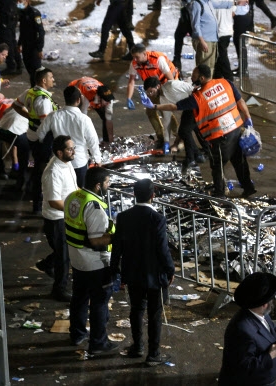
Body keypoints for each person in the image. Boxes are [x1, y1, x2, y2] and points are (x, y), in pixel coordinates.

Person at [150, 64, 256, 198]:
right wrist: (248, 118)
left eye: (194, 76)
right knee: (239, 162)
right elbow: (240, 101)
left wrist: (155, 106)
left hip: (220, 137)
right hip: (236, 130)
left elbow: (174, 106)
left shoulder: (198, 97)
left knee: (217, 166)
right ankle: (248, 188)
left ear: (201, 77)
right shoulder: (225, 83)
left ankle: (219, 195)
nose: (192, 78)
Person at [110, 179, 175, 366]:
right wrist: (170, 270)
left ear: (134, 195)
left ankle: (137, 346)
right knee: (154, 314)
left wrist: (116, 270)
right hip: (155, 276)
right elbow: (163, 250)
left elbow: (117, 247)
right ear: (153, 195)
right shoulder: (157, 219)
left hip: (133, 274)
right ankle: (153, 354)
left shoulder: (123, 217)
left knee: (136, 310)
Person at [64, 167, 117, 355]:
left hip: (77, 259)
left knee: (79, 297)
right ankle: (98, 342)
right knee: (99, 302)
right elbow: (96, 241)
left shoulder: (73, 197)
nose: (109, 186)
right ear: (98, 185)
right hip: (95, 264)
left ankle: (77, 334)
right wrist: (118, 238)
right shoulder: (94, 207)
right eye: (107, 183)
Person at [219, 272, 276, 386]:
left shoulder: (258, 312)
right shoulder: (241, 330)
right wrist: (272, 354)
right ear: (264, 304)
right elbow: (246, 368)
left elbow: (271, 328)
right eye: (271, 299)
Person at [36, 135, 79, 302]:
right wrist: (76, 211)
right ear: (60, 153)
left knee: (64, 251)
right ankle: (59, 290)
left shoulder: (66, 164)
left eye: (73, 148)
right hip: (57, 219)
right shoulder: (53, 172)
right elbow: (54, 201)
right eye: (70, 149)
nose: (73, 151)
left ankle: (47, 264)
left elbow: (72, 188)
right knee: (64, 256)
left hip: (66, 216)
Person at [36, 86, 102, 188]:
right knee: (79, 194)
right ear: (78, 100)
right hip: (79, 162)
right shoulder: (84, 119)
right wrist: (97, 159)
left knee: (62, 191)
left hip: (60, 162)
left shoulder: (53, 116)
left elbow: (40, 135)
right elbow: (92, 141)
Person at [13, 67, 58, 213]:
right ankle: (38, 203)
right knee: (41, 170)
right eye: (51, 77)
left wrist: (30, 117)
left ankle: (35, 197)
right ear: (44, 80)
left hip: (31, 134)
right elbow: (46, 124)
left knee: (39, 167)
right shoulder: (43, 99)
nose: (53, 79)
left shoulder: (30, 92)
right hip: (42, 139)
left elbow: (16, 105)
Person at [143, 76, 205, 171]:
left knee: (185, 130)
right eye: (148, 93)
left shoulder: (172, 85)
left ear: (158, 86)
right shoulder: (162, 100)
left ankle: (194, 157)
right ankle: (197, 155)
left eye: (151, 91)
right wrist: (167, 141)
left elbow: (191, 89)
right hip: (187, 108)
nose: (150, 95)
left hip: (195, 102)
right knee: (186, 130)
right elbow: (167, 121)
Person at [126, 44, 180, 152]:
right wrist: (129, 98)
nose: (135, 60)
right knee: (150, 111)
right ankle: (160, 137)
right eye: (134, 57)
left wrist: (170, 94)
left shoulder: (158, 59)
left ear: (145, 54)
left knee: (166, 113)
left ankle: (179, 137)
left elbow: (170, 78)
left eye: (137, 57)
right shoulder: (135, 63)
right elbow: (131, 81)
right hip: (152, 88)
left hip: (166, 85)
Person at [188, 0, 233, 74]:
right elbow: (195, 26)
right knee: (204, 68)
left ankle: (208, 85)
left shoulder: (208, 2)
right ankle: (201, 85)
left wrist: (236, 3)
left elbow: (221, 4)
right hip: (205, 41)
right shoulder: (197, 4)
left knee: (211, 67)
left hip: (213, 39)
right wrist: (202, 41)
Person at [69, 77, 116, 143]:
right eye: (106, 101)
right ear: (99, 98)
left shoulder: (109, 99)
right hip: (77, 88)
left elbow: (109, 118)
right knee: (78, 116)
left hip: (94, 91)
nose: (108, 103)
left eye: (109, 101)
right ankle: (76, 137)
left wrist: (111, 141)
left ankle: (106, 141)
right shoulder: (87, 95)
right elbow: (83, 116)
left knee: (106, 117)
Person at [17, 0, 45, 87]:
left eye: (21, 1)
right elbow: (22, 30)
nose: (19, 3)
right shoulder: (21, 12)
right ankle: (33, 88)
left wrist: (40, 49)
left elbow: (41, 32)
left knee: (36, 71)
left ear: (27, 1)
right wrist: (19, 43)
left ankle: (38, 90)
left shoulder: (34, 13)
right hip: (26, 45)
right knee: (29, 68)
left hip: (34, 47)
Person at [232, 0, 252, 77]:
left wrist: (234, 4)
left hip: (242, 17)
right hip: (240, 16)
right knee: (238, 42)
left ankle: (243, 70)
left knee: (240, 43)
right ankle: (241, 68)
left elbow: (242, 1)